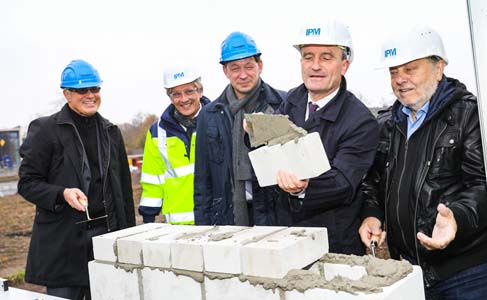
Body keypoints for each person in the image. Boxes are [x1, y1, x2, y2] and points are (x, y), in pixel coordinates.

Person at [358, 25, 487, 299]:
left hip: (465, 273)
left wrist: (457, 218)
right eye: (393, 72)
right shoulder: (388, 124)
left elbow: (486, 186)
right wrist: (372, 215)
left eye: (410, 69)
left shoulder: (470, 116)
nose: (400, 79)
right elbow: (374, 184)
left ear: (439, 67)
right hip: (409, 270)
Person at [18, 59, 136, 300]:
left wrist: (128, 241)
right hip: (63, 249)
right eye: (83, 90)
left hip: (105, 243)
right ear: (67, 94)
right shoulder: (45, 130)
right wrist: (61, 193)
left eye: (95, 89)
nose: (90, 95)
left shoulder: (110, 131)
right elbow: (27, 183)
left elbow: (123, 191)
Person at [273, 20, 379, 255]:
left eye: (327, 57)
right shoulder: (291, 102)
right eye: (308, 57)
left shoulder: (360, 121)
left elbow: (343, 183)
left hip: (333, 244)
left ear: (344, 65)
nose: (315, 66)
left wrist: (303, 188)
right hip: (286, 236)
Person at [194, 31, 286, 226]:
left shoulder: (283, 104)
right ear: (225, 71)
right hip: (228, 215)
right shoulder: (209, 115)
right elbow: (203, 180)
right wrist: (202, 228)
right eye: (235, 68)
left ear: (259, 66)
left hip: (276, 213)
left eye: (248, 66)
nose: (243, 75)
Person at [139, 63, 210, 224]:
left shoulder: (218, 120)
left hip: (217, 220)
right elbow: (153, 178)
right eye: (176, 94)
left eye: (189, 91)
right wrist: (148, 218)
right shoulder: (157, 131)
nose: (184, 99)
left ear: (200, 91)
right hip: (177, 226)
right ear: (170, 97)